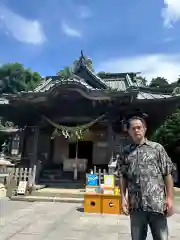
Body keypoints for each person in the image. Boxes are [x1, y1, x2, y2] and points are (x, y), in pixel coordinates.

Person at [119, 116, 175, 240]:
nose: (136, 130)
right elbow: (123, 177)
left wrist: (170, 198)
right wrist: (123, 198)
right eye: (133, 128)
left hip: (157, 204)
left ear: (144, 129)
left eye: (139, 127)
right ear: (129, 131)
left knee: (161, 237)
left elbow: (167, 174)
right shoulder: (125, 152)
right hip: (136, 206)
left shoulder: (157, 148)